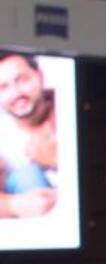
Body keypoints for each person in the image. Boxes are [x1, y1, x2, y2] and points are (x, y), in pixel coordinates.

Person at [0, 54, 58, 220]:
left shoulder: (68, 105)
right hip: (37, 232)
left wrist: (56, 159)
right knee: (27, 175)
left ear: (39, 75)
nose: (16, 93)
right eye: (3, 87)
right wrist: (14, 205)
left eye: (23, 80)